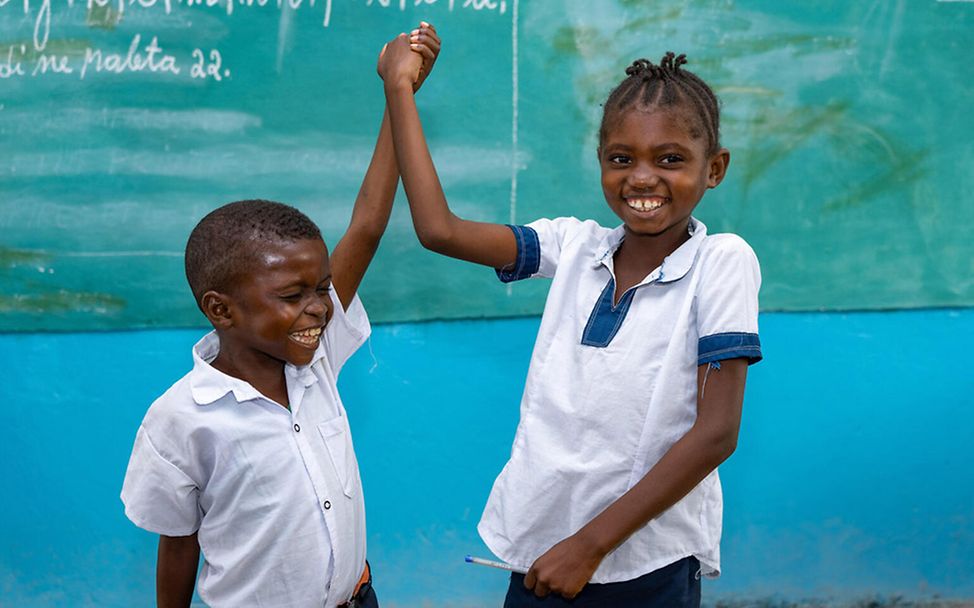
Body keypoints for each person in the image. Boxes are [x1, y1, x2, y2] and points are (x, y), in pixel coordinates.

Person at [379, 38, 762, 608]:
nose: (642, 178)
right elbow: (439, 229)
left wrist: (589, 545)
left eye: (671, 158)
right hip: (543, 550)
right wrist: (398, 90)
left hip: (643, 562)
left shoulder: (722, 260)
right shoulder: (574, 246)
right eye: (621, 158)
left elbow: (716, 432)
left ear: (715, 169)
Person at [120, 24, 440, 608]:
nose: (318, 306)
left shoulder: (315, 360)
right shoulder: (180, 419)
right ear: (221, 310)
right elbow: (178, 543)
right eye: (294, 295)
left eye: (321, 288)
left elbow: (367, 225)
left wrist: (399, 92)